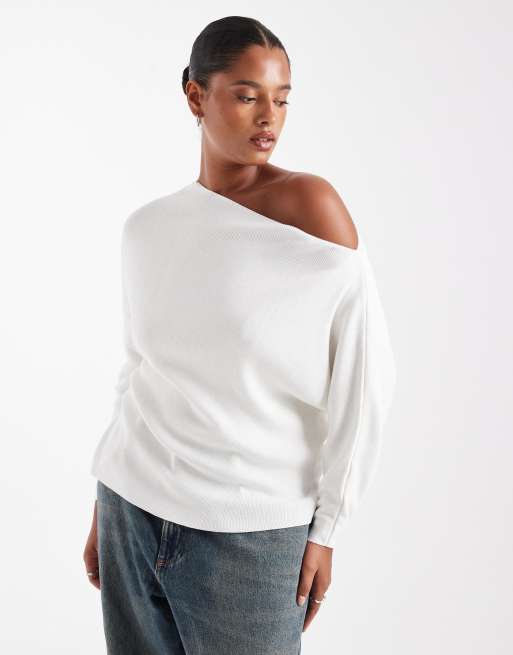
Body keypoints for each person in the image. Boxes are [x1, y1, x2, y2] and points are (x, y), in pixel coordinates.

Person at [83, 15, 397, 655]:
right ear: (196, 96)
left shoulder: (311, 210)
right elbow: (139, 370)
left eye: (282, 99)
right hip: (129, 511)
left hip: (250, 536)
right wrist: (103, 501)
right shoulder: (147, 229)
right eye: (248, 95)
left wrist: (327, 529)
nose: (268, 118)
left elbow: (365, 378)